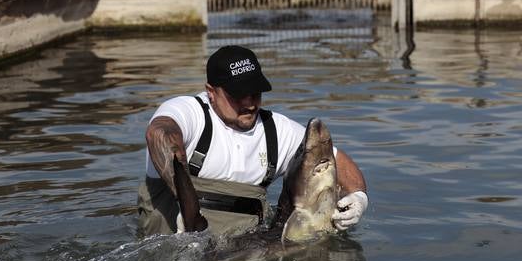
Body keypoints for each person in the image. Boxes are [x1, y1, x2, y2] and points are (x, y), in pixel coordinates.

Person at [137, 45, 368, 237]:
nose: (250, 103)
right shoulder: (189, 112)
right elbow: (159, 134)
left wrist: (358, 197)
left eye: (256, 93)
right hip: (175, 243)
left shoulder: (275, 130)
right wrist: (187, 206)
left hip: (245, 257)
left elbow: (335, 159)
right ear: (211, 92)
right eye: (238, 95)